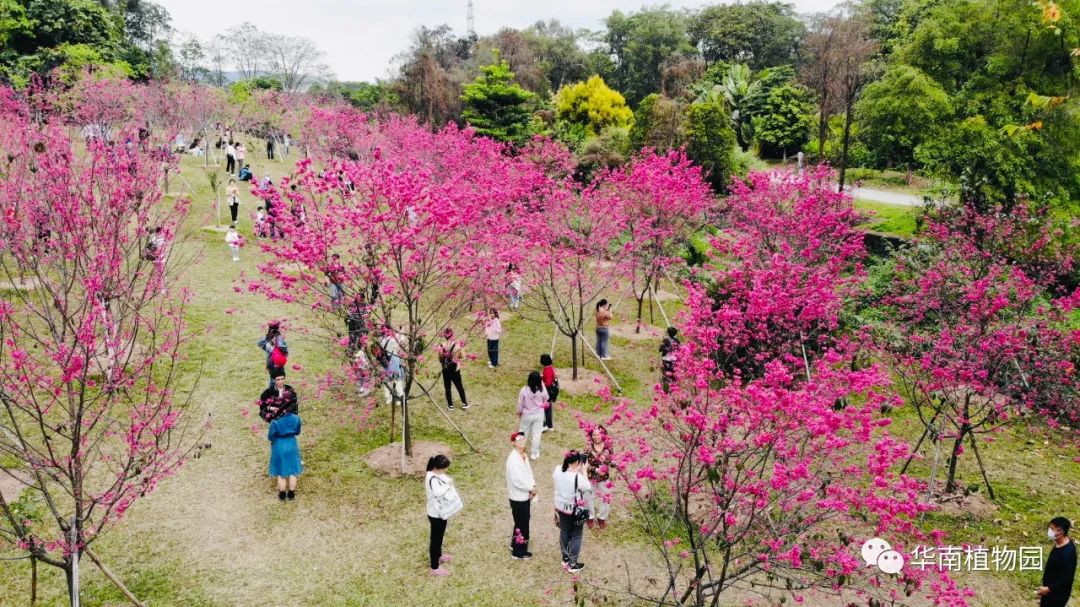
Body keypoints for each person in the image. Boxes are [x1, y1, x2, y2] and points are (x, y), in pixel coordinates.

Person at [553, 451, 591, 573]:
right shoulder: (577, 477)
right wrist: (584, 470)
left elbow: (562, 474)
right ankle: (572, 563)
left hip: (560, 507)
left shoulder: (558, 469)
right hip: (574, 510)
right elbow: (587, 488)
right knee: (577, 535)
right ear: (576, 463)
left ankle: (565, 558)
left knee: (564, 531)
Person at [266, 385, 302, 501]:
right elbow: (297, 431)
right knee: (293, 471)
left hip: (279, 445)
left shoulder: (276, 420)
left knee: (281, 472)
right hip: (292, 444)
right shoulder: (296, 418)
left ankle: (282, 494)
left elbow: (270, 436)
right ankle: (291, 493)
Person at [425, 455, 457, 577]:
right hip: (435, 514)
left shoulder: (434, 473)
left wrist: (447, 481)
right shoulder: (432, 479)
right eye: (444, 469)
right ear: (438, 468)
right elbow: (438, 492)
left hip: (440, 513)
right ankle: (434, 567)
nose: (445, 471)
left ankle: (439, 556)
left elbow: (445, 477)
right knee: (436, 539)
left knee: (439, 537)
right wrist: (448, 486)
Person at [506, 432, 536, 560]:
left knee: (520, 522)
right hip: (518, 497)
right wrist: (530, 488)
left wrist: (533, 485)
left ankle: (514, 545)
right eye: (518, 439)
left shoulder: (523, 455)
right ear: (513, 443)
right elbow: (517, 480)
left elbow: (528, 473)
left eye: (523, 439)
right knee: (523, 525)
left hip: (524, 495)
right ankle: (519, 552)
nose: (522, 441)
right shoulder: (513, 460)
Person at [1039, 516, 1076, 607]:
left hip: (1056, 596)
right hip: (1049, 590)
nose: (1049, 531)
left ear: (1060, 532)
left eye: (1052, 529)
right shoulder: (1059, 543)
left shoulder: (1067, 554)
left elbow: (1066, 579)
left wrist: (1048, 589)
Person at [585, 425, 614, 529]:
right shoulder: (588, 447)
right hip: (591, 476)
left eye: (598, 434)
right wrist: (595, 469)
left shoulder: (608, 447)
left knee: (605, 497)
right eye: (593, 435)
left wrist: (610, 464)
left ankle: (602, 517)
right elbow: (585, 464)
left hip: (604, 477)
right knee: (589, 496)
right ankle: (589, 517)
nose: (596, 437)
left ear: (603, 435)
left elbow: (611, 460)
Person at [516, 371, 549, 460]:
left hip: (526, 415)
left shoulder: (524, 390)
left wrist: (519, 412)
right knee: (537, 434)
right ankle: (535, 453)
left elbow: (520, 403)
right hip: (539, 414)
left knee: (523, 432)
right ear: (539, 380)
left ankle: (519, 450)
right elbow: (547, 398)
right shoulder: (542, 389)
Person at [437, 328, 469, 411]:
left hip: (446, 370)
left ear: (444, 335)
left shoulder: (441, 346)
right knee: (459, 386)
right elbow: (462, 356)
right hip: (455, 370)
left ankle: (450, 405)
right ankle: (464, 403)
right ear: (452, 335)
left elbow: (440, 359)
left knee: (447, 387)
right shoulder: (457, 346)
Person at [257, 321, 288, 389]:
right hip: (278, 363)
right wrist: (285, 353)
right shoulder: (278, 338)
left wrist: (269, 350)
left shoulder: (268, 338)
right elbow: (283, 347)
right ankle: (274, 394)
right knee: (278, 379)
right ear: (278, 328)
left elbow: (259, 343)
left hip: (270, 363)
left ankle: (273, 393)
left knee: (273, 379)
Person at [659, 326, 681, 393]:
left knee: (666, 372)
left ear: (668, 333)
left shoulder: (666, 339)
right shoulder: (677, 340)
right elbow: (679, 350)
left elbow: (660, 349)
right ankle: (675, 387)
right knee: (673, 372)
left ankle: (667, 387)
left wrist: (662, 348)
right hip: (674, 359)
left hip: (666, 359)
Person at [540, 354, 558, 432]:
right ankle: (549, 425)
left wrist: (541, 381)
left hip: (547, 392)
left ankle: (548, 425)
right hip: (551, 391)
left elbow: (548, 383)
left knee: (546, 409)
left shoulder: (547, 370)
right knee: (548, 408)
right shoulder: (550, 368)